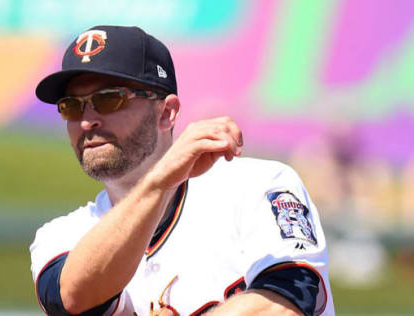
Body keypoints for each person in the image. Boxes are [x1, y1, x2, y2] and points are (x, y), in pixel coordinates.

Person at [29, 25, 335, 316]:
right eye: (71, 106)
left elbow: (287, 303)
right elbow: (73, 299)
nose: (87, 121)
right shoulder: (62, 236)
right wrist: (160, 182)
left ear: (167, 113)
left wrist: (161, 181)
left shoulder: (257, 186)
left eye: (108, 100)